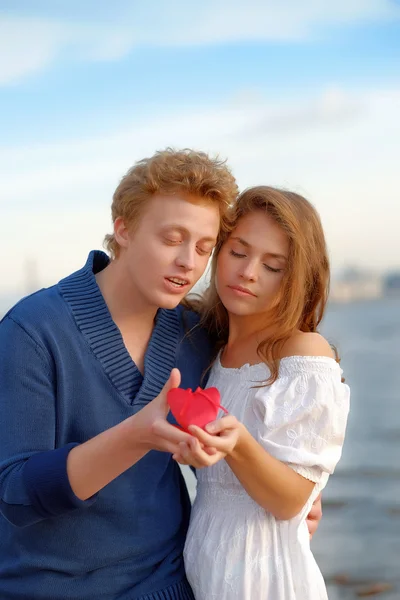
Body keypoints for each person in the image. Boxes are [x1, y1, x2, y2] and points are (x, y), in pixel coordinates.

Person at [0, 151, 322, 600]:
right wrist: (135, 436)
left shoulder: (198, 335)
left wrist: (302, 492)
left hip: (171, 585)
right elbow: (14, 494)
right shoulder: (32, 331)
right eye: (172, 239)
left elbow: (283, 396)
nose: (188, 263)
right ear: (124, 229)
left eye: (204, 248)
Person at [175, 186, 350, 599]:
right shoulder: (209, 346)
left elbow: (292, 501)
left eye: (273, 266)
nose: (248, 272)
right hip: (205, 566)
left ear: (296, 281)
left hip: (266, 576)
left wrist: (239, 446)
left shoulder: (302, 354)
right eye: (238, 252)